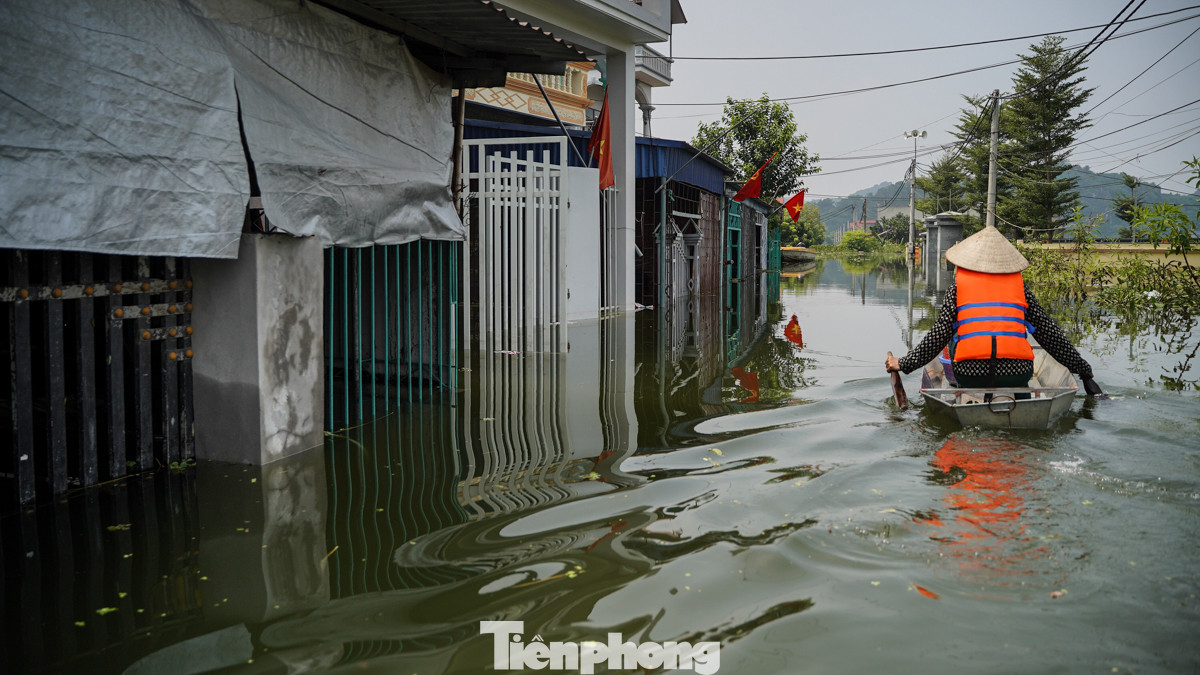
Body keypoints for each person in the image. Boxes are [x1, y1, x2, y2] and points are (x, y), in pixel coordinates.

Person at [884, 225, 1103, 396]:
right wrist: (1083, 369)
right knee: (1029, 337)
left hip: (970, 374)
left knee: (951, 334)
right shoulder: (1020, 289)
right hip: (1016, 374)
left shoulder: (957, 288)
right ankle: (1021, 400)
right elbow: (1050, 336)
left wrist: (903, 363)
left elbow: (938, 336)